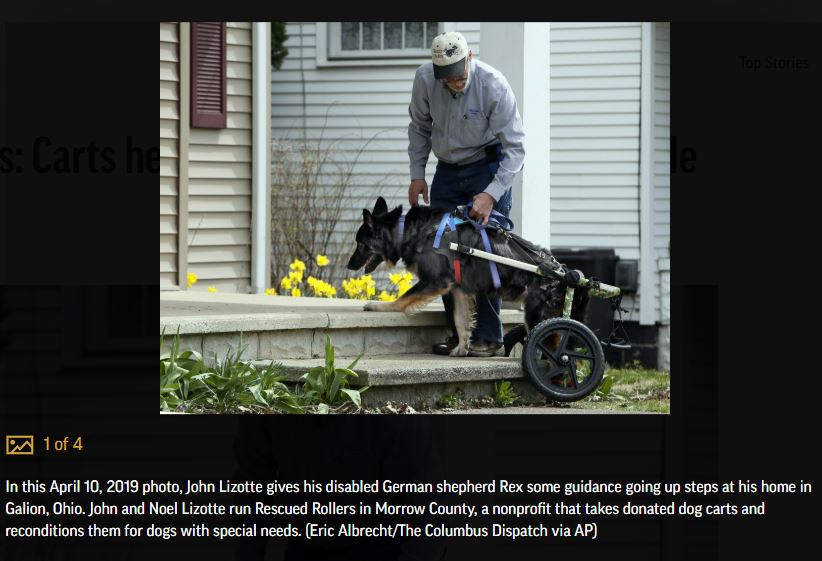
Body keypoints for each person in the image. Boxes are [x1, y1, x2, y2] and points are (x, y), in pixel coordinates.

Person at [407, 31, 526, 357]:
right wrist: (418, 174)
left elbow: (516, 149)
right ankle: (460, 335)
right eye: (448, 79)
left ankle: (488, 337)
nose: (455, 83)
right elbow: (419, 127)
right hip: (448, 168)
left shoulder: (493, 86)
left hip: (487, 167)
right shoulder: (426, 79)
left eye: (459, 76)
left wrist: (490, 194)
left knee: (483, 249)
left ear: (469, 58)